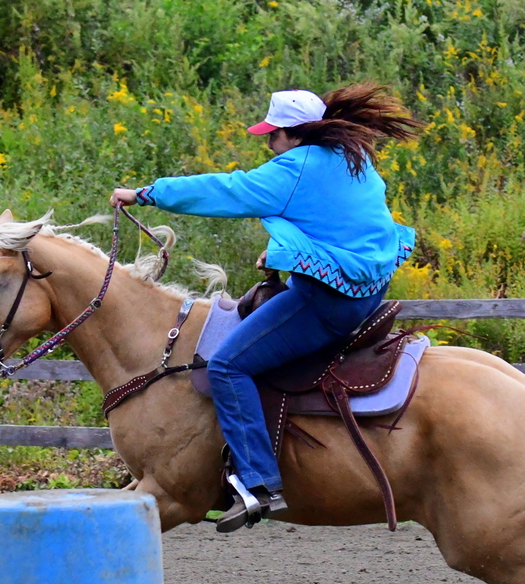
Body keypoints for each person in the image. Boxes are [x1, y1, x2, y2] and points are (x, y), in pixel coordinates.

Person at [111, 83, 423, 532]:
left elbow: (226, 190)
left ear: (295, 134)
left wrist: (145, 193)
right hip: (367, 292)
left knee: (226, 366)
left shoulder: (294, 169)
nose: (268, 143)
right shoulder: (354, 163)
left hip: (328, 302)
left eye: (272, 135)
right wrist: (283, 255)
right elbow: (341, 225)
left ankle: (258, 483)